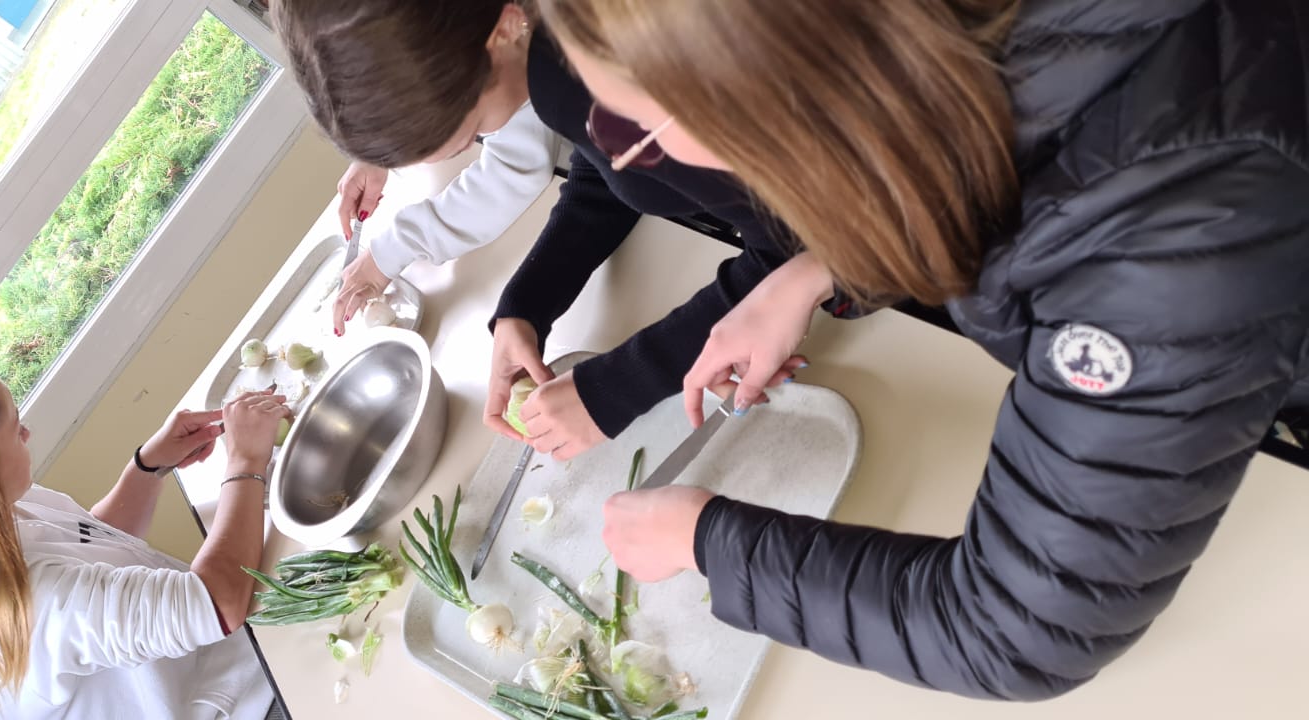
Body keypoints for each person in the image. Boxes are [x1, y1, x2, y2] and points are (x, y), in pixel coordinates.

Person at [540, 0, 1309, 701]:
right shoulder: (936, 53)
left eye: (631, 131)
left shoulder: (1164, 239)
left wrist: (704, 537)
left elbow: (1019, 631)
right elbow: (969, 137)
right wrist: (821, 268)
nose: (620, 149)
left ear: (769, 96)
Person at [271, 0, 811, 458]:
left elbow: (797, 248)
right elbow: (610, 168)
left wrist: (618, 389)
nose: (471, 149)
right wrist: (526, 304)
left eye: (474, 130)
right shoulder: (555, 56)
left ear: (505, 27)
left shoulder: (601, 61)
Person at [0, 341, 284, 719]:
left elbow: (89, 548)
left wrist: (147, 467)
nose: (27, 433)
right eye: (15, 428)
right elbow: (216, 604)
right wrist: (245, 462)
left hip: (231, 664)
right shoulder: (14, 603)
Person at [273, 0, 563, 337]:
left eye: (470, 133)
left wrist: (396, 247)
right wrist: (382, 150)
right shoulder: (478, 33)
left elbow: (515, 169)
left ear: (506, 31)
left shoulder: (549, 53)